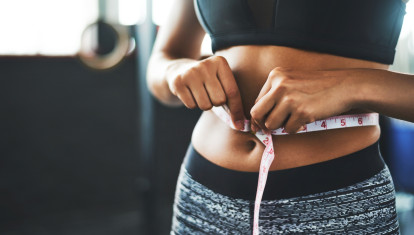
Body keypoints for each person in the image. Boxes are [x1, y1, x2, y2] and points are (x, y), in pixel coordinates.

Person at [146, 0, 413, 234]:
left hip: (336, 200)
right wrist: (176, 71)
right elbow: (162, 59)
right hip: (203, 193)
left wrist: (352, 86)